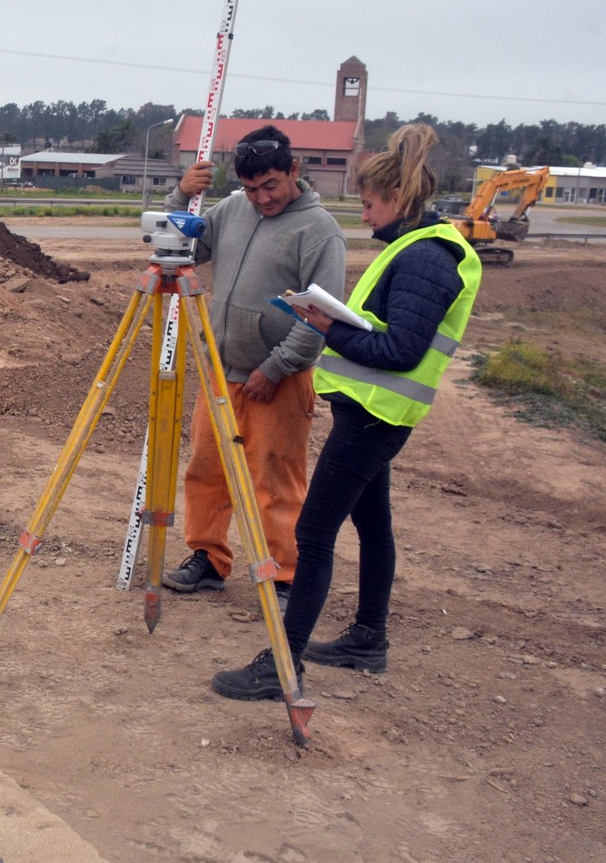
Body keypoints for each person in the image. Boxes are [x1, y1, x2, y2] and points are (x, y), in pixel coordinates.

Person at [212, 123, 482, 700]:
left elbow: (400, 350)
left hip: (374, 417)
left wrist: (325, 327)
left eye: (368, 203)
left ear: (397, 199)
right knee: (372, 525)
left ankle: (284, 664)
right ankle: (367, 639)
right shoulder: (417, 247)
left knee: (313, 532)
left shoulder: (428, 257)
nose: (364, 215)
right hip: (370, 412)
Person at [160, 125, 347, 610]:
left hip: (278, 379)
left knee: (274, 479)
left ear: (293, 171)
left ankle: (284, 577)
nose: (261, 198)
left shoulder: (319, 230)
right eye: (250, 188)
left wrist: (278, 366)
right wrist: (182, 194)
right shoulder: (231, 211)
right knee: (208, 469)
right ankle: (207, 556)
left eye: (270, 186)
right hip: (224, 372)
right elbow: (179, 247)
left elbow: (321, 315)